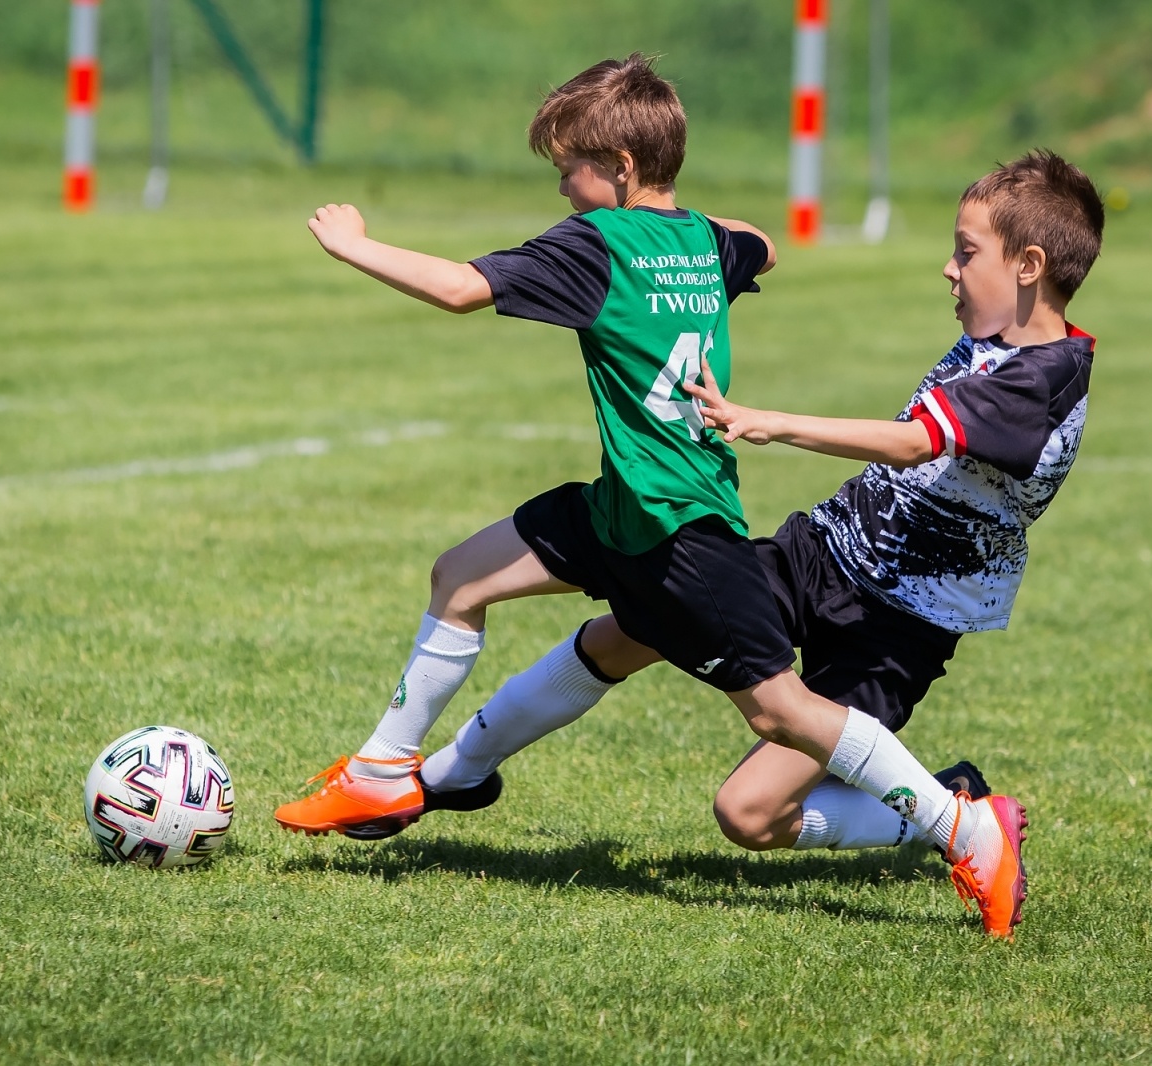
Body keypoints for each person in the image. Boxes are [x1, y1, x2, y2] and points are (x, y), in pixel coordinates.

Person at [274, 55, 1029, 939]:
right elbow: (767, 244)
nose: (562, 188)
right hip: (620, 509)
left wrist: (352, 240)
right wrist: (690, 222)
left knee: (778, 710)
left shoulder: (595, 247)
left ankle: (961, 823)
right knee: (463, 576)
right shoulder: (707, 243)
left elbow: (457, 289)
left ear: (623, 171)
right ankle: (388, 767)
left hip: (684, 535)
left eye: (571, 168)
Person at [415, 150, 1103, 933]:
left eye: (967, 252)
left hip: (896, 628)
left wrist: (769, 420)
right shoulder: (1002, 335)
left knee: (748, 815)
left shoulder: (1044, 377)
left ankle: (950, 816)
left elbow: (914, 444)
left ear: (1030, 265)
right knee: (636, 622)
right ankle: (451, 774)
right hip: (821, 554)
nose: (948, 269)